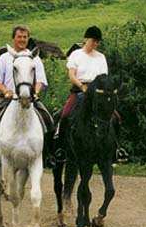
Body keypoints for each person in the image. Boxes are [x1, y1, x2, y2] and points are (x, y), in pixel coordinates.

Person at [0, 25, 53, 170]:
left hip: (30, 98)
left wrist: (36, 92)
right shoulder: (4, 58)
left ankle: (48, 155)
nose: (22, 40)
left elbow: (40, 80)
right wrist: (6, 91)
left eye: (25, 37)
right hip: (7, 98)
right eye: (19, 37)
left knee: (49, 120)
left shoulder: (34, 58)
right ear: (13, 38)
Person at [53, 25, 127, 162]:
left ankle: (117, 149)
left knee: (116, 117)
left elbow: (104, 77)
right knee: (64, 114)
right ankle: (60, 149)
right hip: (79, 89)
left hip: (98, 93)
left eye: (98, 42)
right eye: (93, 40)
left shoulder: (101, 57)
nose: (96, 44)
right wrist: (82, 86)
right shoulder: (76, 55)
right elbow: (72, 75)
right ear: (86, 39)